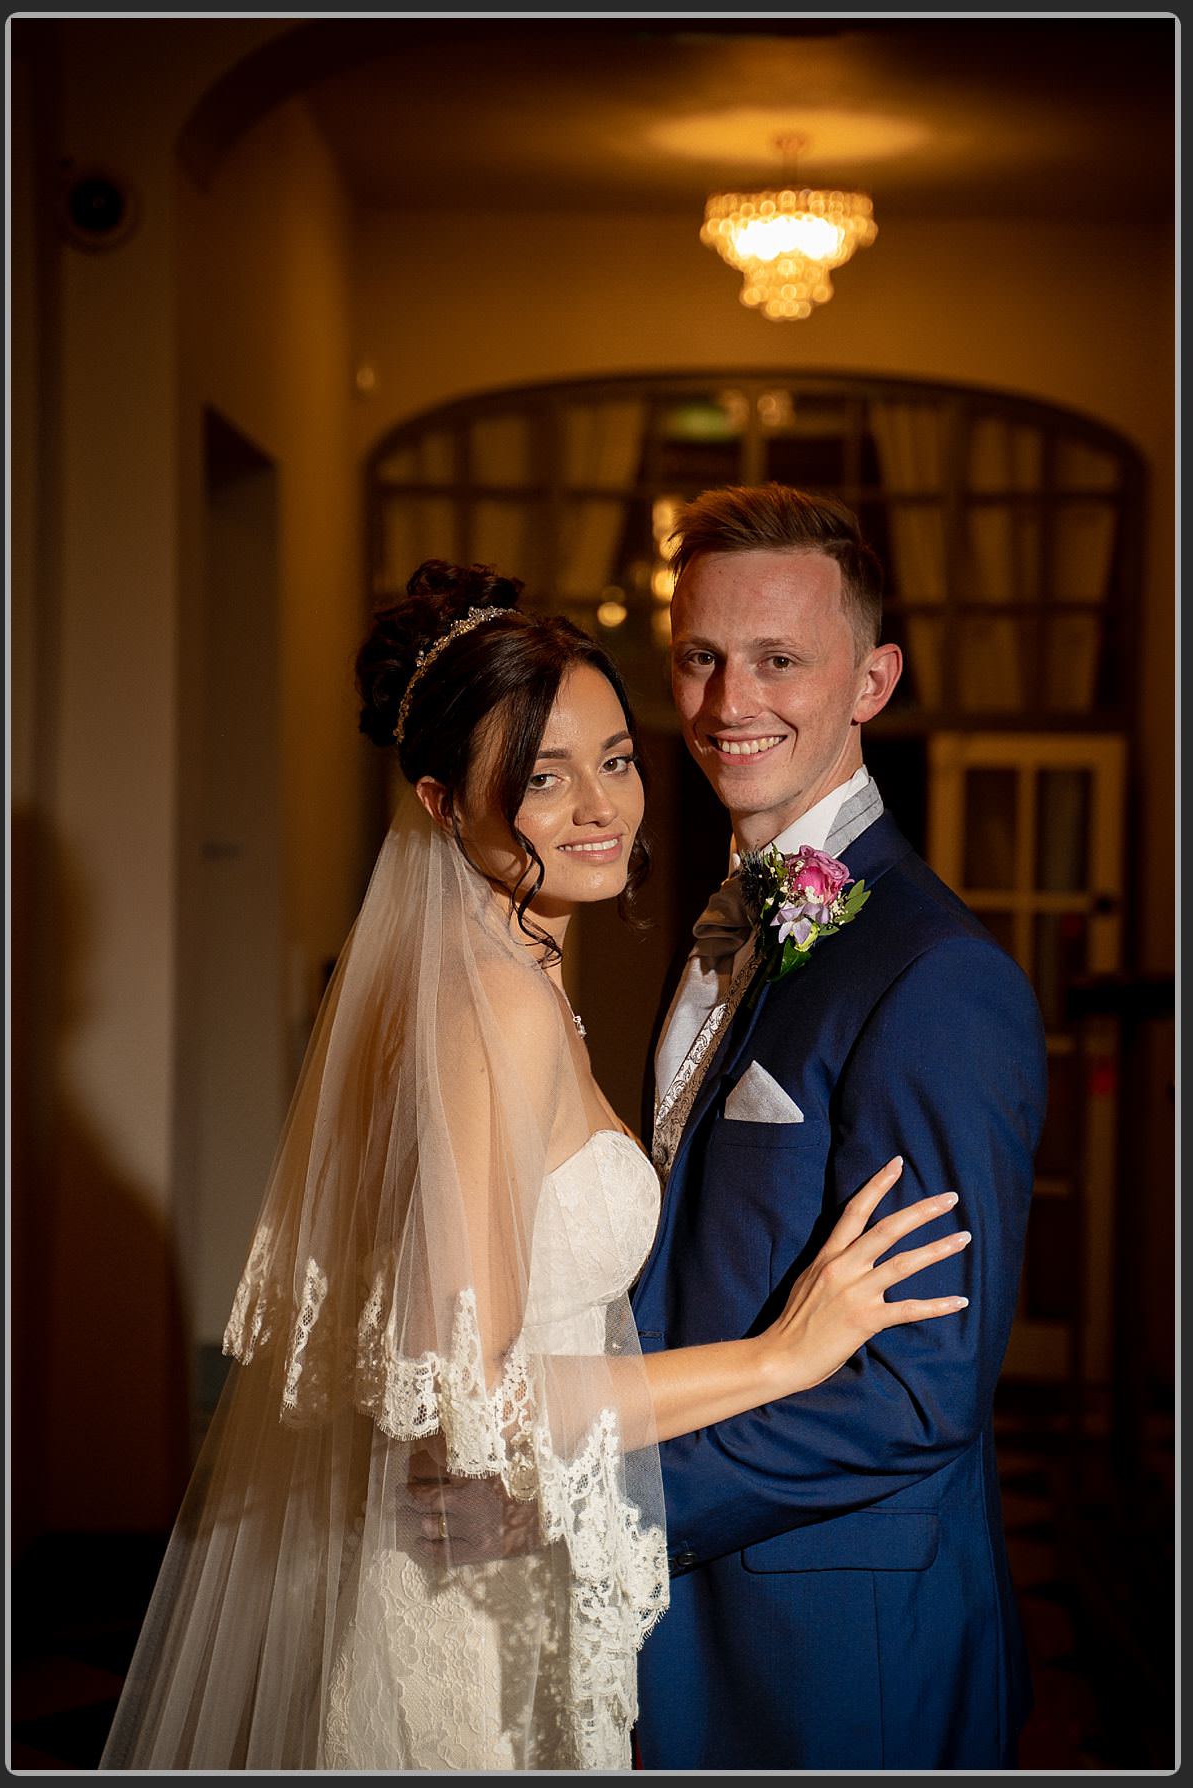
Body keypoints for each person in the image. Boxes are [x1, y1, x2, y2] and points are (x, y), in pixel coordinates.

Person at [100, 560, 974, 1770]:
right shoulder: (491, 1009)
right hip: (474, 1612)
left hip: (519, 1561)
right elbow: (473, 1391)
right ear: (444, 804)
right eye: (540, 779)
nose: (600, 808)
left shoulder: (510, 980)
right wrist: (785, 1353)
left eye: (614, 760)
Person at [632, 485, 1046, 1768]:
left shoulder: (936, 978)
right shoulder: (726, 925)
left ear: (872, 679)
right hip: (688, 1614)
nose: (726, 703)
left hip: (836, 1641)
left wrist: (614, 1510)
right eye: (700, 658)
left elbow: (920, 1394)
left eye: (777, 661)